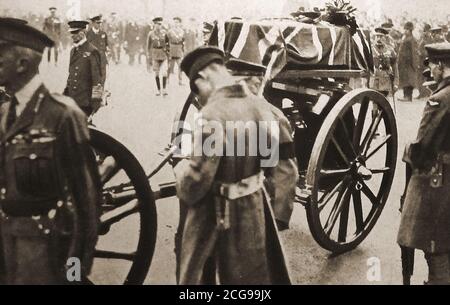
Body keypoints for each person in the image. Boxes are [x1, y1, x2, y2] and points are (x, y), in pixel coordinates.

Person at [173, 46, 294, 285]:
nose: (201, 98)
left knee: (199, 279)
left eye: (198, 90)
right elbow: (273, 165)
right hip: (254, 212)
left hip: (215, 215)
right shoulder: (261, 108)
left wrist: (180, 172)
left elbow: (195, 183)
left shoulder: (212, 115)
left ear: (203, 77)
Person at [0, 17, 100, 284]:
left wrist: (75, 275)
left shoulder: (63, 115)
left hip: (48, 252)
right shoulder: (5, 114)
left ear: (22, 64)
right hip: (9, 252)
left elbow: (85, 204)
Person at [398, 42, 450, 285]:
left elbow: (422, 149)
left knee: (435, 245)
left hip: (441, 181)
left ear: (440, 65)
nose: (430, 69)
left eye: (431, 64)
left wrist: (408, 151)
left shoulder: (439, 100)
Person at [63, 20, 103, 116]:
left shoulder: (92, 51)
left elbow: (97, 78)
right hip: (72, 99)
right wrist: (65, 93)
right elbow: (71, 74)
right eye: (71, 33)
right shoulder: (73, 51)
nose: (72, 35)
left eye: (75, 32)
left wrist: (96, 100)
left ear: (82, 33)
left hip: (85, 101)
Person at [371, 27, 397, 98]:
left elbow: (395, 67)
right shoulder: (371, 49)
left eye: (381, 36)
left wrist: (395, 83)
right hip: (374, 80)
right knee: (374, 102)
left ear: (385, 38)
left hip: (385, 80)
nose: (378, 39)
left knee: (384, 101)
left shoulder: (390, 50)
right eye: (377, 36)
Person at [147, 17, 169, 96]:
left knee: (164, 73)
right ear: (154, 24)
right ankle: (158, 90)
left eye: (160, 24)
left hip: (163, 54)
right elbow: (148, 46)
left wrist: (168, 53)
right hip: (155, 55)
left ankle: (164, 89)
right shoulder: (151, 34)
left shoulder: (164, 33)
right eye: (157, 24)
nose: (159, 26)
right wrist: (149, 57)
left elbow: (168, 44)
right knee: (156, 74)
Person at [398, 22, 420, 102]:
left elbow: (414, 52)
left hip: (409, 63)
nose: (405, 31)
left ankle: (408, 97)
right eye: (405, 29)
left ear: (410, 30)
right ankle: (406, 96)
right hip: (404, 63)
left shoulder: (411, 39)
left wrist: (414, 64)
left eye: (407, 29)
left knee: (409, 80)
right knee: (405, 80)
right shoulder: (406, 38)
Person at [86, 15, 108, 85]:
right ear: (92, 23)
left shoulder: (103, 34)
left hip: (102, 59)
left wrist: (108, 52)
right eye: (97, 23)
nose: (99, 25)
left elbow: (106, 46)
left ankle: (100, 91)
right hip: (92, 59)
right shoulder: (88, 34)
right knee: (93, 77)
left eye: (100, 23)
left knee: (103, 77)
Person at [168, 17, 185, 86]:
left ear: (179, 23)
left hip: (178, 49)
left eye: (177, 22)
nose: (176, 24)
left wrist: (182, 49)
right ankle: (167, 79)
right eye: (175, 22)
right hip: (172, 49)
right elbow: (167, 40)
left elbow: (183, 40)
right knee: (169, 66)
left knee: (180, 66)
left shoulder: (182, 31)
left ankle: (180, 81)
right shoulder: (170, 31)